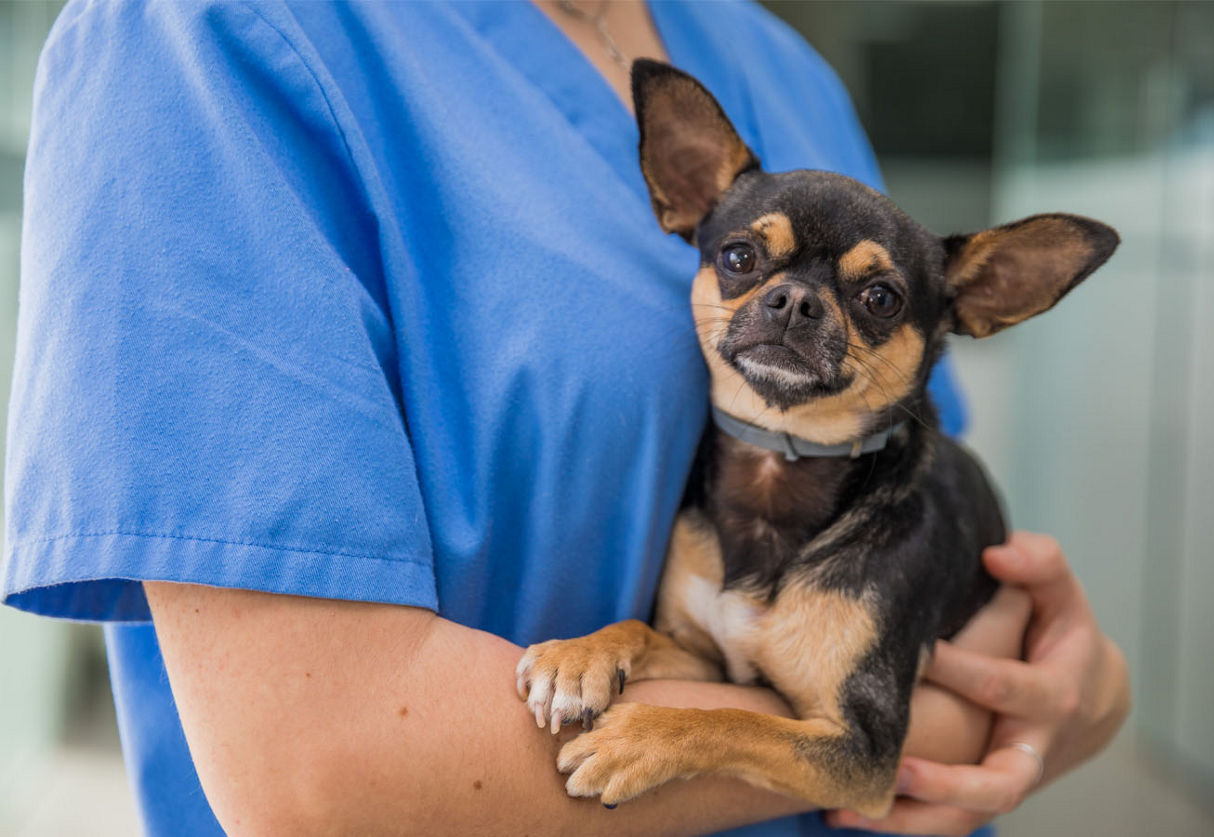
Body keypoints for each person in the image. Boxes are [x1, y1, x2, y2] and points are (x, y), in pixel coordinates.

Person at [2, 1, 1130, 834]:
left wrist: (1083, 686)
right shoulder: (197, 42)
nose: (795, 308)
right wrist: (932, 732)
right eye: (748, 267)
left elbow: (923, 499)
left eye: (866, 298)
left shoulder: (775, 64)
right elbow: (326, 780)